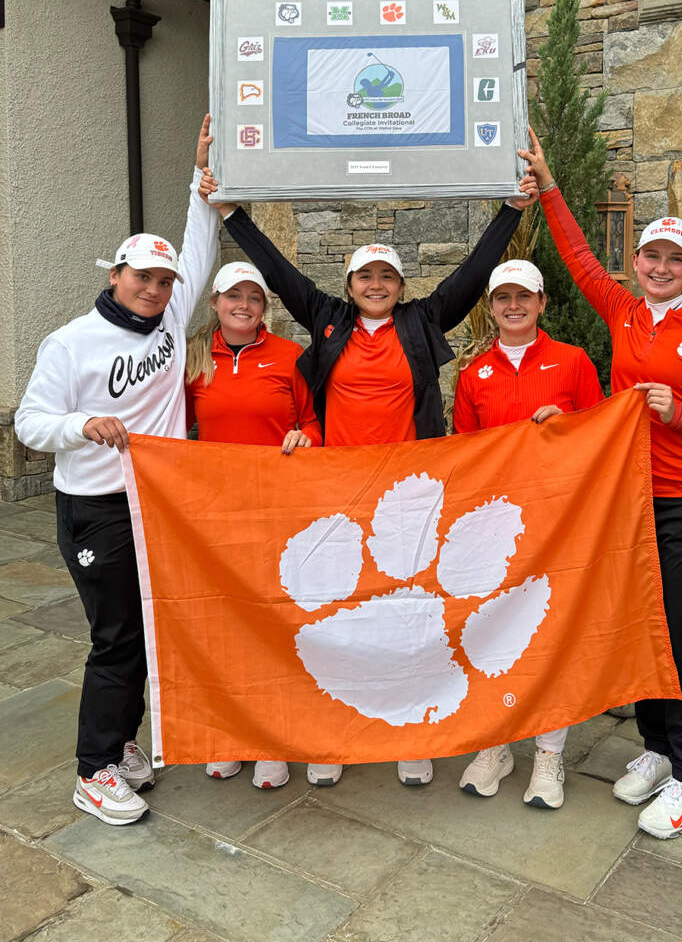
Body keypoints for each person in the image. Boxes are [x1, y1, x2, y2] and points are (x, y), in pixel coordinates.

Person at [199, 167, 539, 787]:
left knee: (409, 607)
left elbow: (468, 274)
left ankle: (411, 730)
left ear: (400, 286)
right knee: (340, 608)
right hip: (337, 491)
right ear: (349, 284)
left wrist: (512, 209)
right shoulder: (326, 318)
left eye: (386, 276)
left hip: (409, 494)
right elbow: (276, 271)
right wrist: (230, 215)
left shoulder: (422, 321)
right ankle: (336, 736)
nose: (376, 285)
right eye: (365, 276)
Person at [519, 129, 682, 839]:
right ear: (638, 262)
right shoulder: (622, 311)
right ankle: (656, 750)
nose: (658, 267)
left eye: (672, 258)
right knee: (640, 634)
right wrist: (549, 183)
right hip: (626, 500)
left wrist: (679, 412)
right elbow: (578, 258)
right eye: (649, 255)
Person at [14, 116, 220, 826]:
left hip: (156, 502)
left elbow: (201, 244)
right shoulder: (70, 342)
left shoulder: (166, 323)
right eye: (142, 277)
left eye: (164, 281)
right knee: (118, 638)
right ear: (115, 274)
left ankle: (123, 745)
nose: (155, 289)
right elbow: (30, 423)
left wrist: (200, 176)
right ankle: (93, 770)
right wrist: (81, 425)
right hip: (96, 506)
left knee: (150, 627)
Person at [453, 258, 604, 808]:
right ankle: (496, 743)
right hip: (495, 529)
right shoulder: (474, 373)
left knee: (550, 636)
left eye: (524, 297)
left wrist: (568, 430)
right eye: (502, 298)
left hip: (557, 524)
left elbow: (600, 438)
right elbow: (465, 451)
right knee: (493, 634)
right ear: (491, 308)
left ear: (542, 303)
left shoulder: (573, 362)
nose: (513, 307)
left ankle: (548, 753)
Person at [185, 259, 322, 789]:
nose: (244, 305)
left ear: (265, 307)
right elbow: (174, 429)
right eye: (233, 296)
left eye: (255, 297)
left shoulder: (290, 357)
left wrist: (306, 437)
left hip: (280, 511)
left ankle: (275, 738)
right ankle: (234, 731)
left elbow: (313, 422)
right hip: (216, 515)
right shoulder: (194, 360)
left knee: (276, 622)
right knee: (226, 624)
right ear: (215, 302)